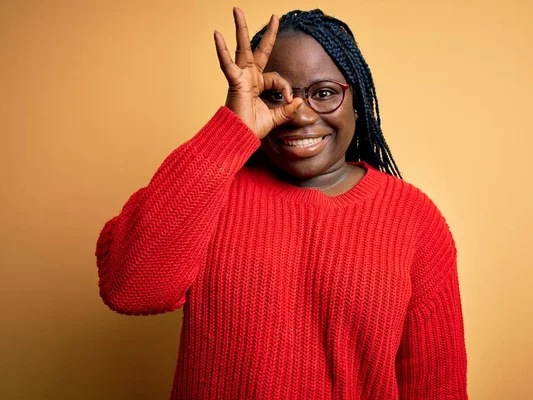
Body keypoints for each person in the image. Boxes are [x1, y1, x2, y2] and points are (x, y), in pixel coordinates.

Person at [95, 7, 468, 400]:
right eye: (276, 95)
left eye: (324, 93)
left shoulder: (413, 219)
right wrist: (230, 130)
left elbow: (435, 387)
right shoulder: (211, 190)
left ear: (356, 97)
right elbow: (130, 289)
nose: (300, 114)